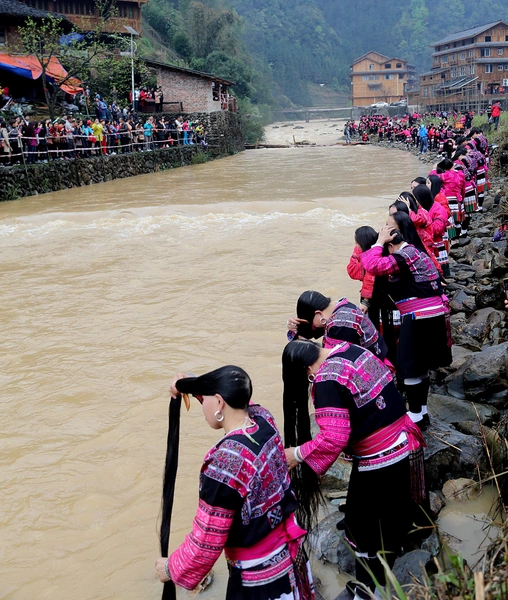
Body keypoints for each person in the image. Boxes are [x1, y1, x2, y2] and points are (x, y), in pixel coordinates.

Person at [155, 366, 315, 599]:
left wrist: (170, 568)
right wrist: (192, 385)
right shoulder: (264, 420)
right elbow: (231, 398)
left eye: (207, 398)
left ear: (219, 402)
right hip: (290, 560)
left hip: (258, 580)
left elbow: (206, 542)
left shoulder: (225, 463)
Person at [282, 339, 425, 600]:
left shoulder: (325, 380)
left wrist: (298, 454)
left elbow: (334, 437)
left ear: (307, 371)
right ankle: (386, 576)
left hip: (379, 457)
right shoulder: (349, 349)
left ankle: (369, 593)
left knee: (361, 529)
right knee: (389, 520)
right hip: (403, 440)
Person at [360, 214, 452, 429]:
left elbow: (372, 265)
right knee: (421, 367)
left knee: (409, 367)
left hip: (419, 316)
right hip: (432, 314)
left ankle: (416, 415)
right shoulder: (413, 251)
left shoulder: (405, 254)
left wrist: (378, 243)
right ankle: (423, 413)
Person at [286, 291, 390, 363]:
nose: (313, 326)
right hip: (377, 361)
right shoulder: (340, 307)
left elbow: (330, 361)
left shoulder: (340, 324)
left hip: (373, 373)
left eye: (311, 323)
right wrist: (297, 328)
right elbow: (313, 331)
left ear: (318, 314)